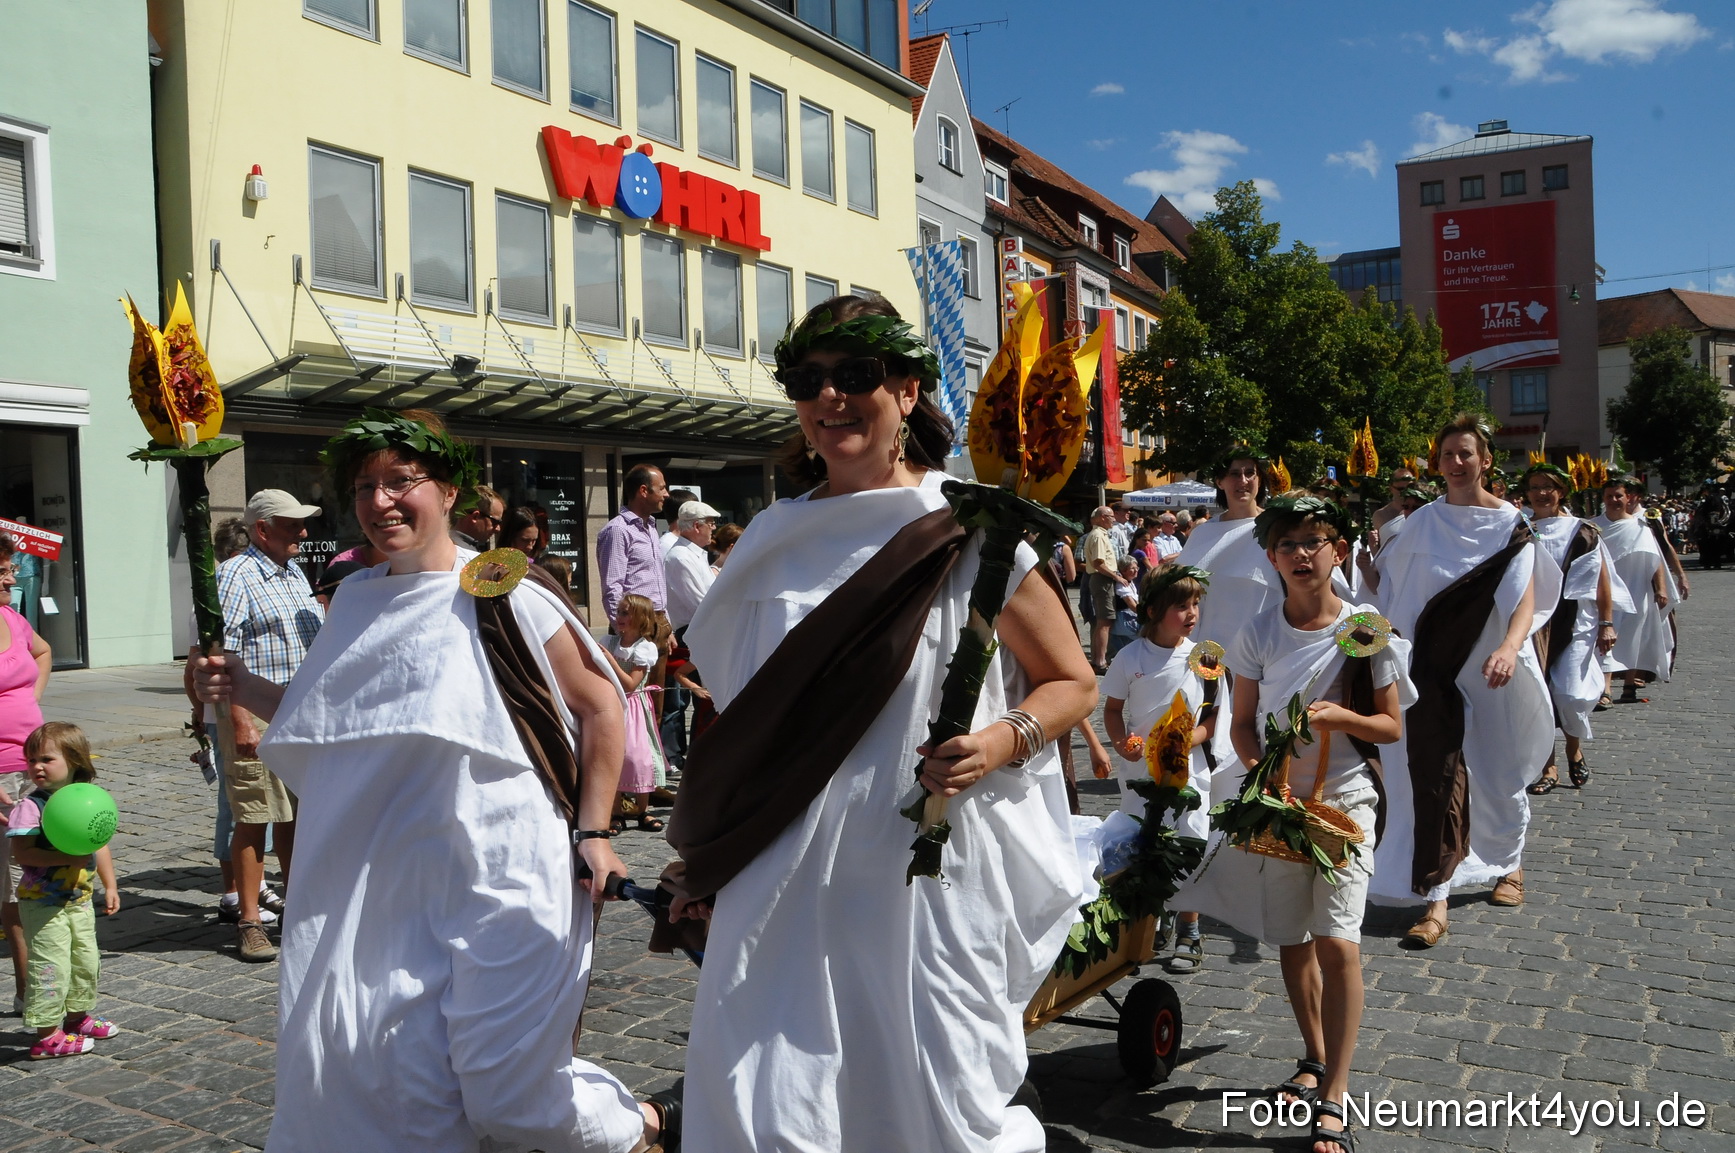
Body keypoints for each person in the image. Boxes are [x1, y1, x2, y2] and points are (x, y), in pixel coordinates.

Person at [666, 295, 1096, 1153]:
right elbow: (747, 712)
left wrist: (995, 740)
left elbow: (1070, 682)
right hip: (784, 869)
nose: (830, 398)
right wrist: (713, 846)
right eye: (807, 380)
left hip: (919, 872)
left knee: (932, 1107)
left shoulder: (973, 526)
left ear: (905, 390)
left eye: (855, 376)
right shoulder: (770, 539)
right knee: (769, 1106)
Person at [193, 409, 673, 1153]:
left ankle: (634, 1123)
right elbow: (329, 720)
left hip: (504, 872)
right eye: (363, 486)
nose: (380, 501)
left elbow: (602, 704)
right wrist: (241, 684)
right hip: (389, 889)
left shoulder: (502, 588)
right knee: (392, 1085)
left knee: (509, 1090)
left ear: (447, 490)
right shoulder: (351, 602)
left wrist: (596, 831)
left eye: (399, 481)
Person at [1189, 497, 1412, 1153]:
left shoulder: (1363, 628)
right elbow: (1238, 722)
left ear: (1338, 550)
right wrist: (1262, 775)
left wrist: (1336, 718)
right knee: (1291, 937)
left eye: (1313, 540)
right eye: (1286, 543)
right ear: (1271, 557)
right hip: (1280, 802)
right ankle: (1312, 1055)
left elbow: (1391, 726)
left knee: (1337, 938)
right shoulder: (1257, 631)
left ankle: (1335, 1095)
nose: (1300, 553)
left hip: (1344, 798)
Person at [1365, 414, 1560, 946]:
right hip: (1428, 669)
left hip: (1491, 669)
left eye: (1465, 454)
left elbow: (1526, 599)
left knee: (1495, 771)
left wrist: (1509, 648)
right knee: (1431, 776)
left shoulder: (1511, 525)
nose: (1455, 464)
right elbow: (1392, 591)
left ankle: (1508, 862)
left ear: (1486, 460)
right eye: (1447, 455)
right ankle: (1436, 895)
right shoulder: (1421, 523)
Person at [216, 489, 326, 961]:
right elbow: (222, 653)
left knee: (296, 816)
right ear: (262, 529)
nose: (303, 532)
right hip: (256, 718)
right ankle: (248, 921)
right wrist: (241, 721)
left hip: (298, 718)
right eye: (292, 524)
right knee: (254, 818)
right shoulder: (236, 574)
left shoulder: (294, 572)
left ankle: (296, 907)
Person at [1101, 564, 1216, 973]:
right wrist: (1120, 742)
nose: (1192, 613)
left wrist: (1192, 739)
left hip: (1189, 768)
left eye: (1195, 604)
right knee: (1143, 840)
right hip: (1141, 773)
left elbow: (1215, 714)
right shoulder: (1130, 656)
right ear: (1152, 610)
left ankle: (1190, 927)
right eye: (1181, 605)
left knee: (1190, 840)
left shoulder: (1205, 655)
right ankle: (1150, 919)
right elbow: (1113, 711)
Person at [7, 722, 121, 1060]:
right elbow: (22, 853)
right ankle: (47, 1034)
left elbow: (98, 845)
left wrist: (111, 884)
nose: (36, 767)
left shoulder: (85, 799)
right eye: (31, 760)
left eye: (46, 759)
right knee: (51, 965)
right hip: (42, 902)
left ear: (74, 761)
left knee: (85, 960)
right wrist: (65, 856)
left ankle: (76, 1018)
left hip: (79, 898)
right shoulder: (32, 806)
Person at [1176, 447, 1282, 771]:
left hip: (1260, 663)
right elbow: (1182, 592)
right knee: (1206, 762)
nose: (1243, 480)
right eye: (1234, 473)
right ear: (1220, 481)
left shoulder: (1276, 528)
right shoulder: (1203, 533)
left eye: (1250, 472)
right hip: (1205, 661)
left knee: (1251, 756)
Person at [1520, 465, 1622, 795]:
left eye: (1548, 487)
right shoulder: (1519, 527)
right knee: (1540, 695)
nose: (1540, 493)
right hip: (1531, 623)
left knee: (1570, 692)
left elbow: (1601, 581)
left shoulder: (1583, 531)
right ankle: (1548, 767)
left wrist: (1606, 623)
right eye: (1534, 487)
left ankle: (1573, 748)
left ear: (1561, 491)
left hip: (1576, 621)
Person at [1, 537, 51, 1012]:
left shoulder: (12, 619)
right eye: (3, 569)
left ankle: (41, 981)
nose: (12, 577)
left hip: (34, 769)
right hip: (0, 780)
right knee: (16, 882)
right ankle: (28, 989)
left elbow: (43, 652)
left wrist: (29, 701)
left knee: (35, 872)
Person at [1593, 477, 1674, 703]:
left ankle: (1630, 685)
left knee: (1632, 638)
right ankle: (1605, 689)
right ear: (1604, 499)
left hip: (1637, 590)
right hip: (1606, 591)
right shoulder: (1594, 525)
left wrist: (1661, 588)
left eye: (1619, 495)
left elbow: (1655, 559)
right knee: (1605, 637)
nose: (1614, 500)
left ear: (1628, 498)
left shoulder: (1641, 528)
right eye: (1609, 496)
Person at [600, 594, 667, 834]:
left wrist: (610, 661)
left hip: (634, 707)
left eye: (626, 613)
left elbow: (630, 684)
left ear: (641, 618)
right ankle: (616, 811)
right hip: (613, 705)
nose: (620, 618)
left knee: (638, 758)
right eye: (619, 612)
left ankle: (642, 810)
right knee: (614, 756)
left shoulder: (645, 648)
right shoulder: (609, 641)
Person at [662, 500, 719, 775]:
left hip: (704, 627)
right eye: (710, 523)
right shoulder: (680, 557)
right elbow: (702, 602)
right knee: (693, 700)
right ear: (696, 526)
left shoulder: (694, 553)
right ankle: (688, 757)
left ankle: (702, 754)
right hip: (692, 631)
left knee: (706, 700)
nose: (713, 528)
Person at [1082, 505, 1127, 673]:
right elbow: (1098, 563)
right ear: (1101, 517)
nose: (1113, 519)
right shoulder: (1098, 536)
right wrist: (1117, 577)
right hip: (1102, 579)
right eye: (1110, 516)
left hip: (1101, 579)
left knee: (1103, 621)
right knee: (1104, 622)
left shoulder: (1099, 535)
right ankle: (1100, 662)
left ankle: (1097, 659)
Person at [449, 483, 503, 552]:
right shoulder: (456, 550)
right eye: (494, 522)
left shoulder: (449, 545)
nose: (498, 529)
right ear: (475, 517)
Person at [1106, 556, 1142, 660]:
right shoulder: (1121, 584)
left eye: (1137, 568)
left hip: (1126, 620)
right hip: (1123, 621)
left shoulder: (1131, 583)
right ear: (1123, 570)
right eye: (1132, 568)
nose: (1136, 571)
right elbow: (1133, 606)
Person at [1371, 466, 1416, 532]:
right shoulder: (1380, 515)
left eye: (1410, 488)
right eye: (1401, 489)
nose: (1406, 492)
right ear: (1391, 488)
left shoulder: (1420, 511)